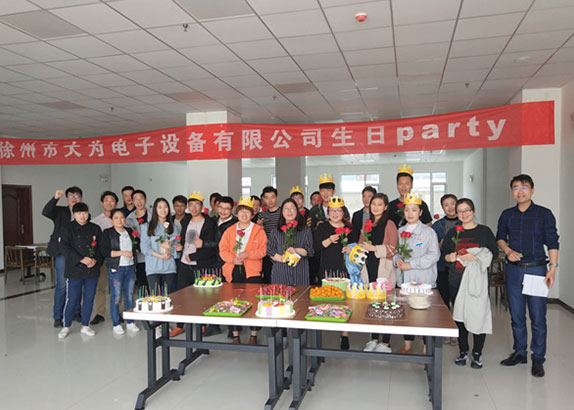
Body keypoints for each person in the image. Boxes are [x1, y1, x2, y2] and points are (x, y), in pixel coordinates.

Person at [496, 174, 559, 378]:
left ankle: (538, 357)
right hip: (514, 270)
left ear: (532, 190)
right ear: (512, 192)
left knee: (538, 316)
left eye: (524, 187)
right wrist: (507, 250)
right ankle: (520, 352)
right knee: (516, 315)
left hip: (536, 270)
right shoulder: (507, 215)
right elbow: (500, 238)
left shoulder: (544, 214)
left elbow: (552, 241)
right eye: (516, 188)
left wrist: (552, 268)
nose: (520, 191)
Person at [442, 198, 498, 369]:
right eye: (460, 211)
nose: (464, 214)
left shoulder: (484, 231)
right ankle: (463, 350)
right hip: (456, 280)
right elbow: (444, 255)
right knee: (459, 317)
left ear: (473, 211)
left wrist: (475, 257)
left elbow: (494, 253)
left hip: (477, 282)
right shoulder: (453, 233)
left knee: (478, 315)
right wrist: (449, 257)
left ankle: (477, 352)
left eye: (467, 210)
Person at [394, 192, 440, 353]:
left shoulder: (429, 232)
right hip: (404, 279)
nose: (410, 213)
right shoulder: (400, 231)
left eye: (414, 210)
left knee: (425, 315)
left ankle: (427, 349)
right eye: (407, 210)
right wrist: (397, 260)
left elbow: (434, 255)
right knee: (406, 312)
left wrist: (411, 264)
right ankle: (407, 345)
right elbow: (395, 252)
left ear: (420, 212)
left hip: (423, 279)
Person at [219, 197, 267, 344]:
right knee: (233, 301)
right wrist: (233, 259)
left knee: (253, 301)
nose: (244, 215)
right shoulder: (229, 230)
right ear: (237, 214)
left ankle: (253, 333)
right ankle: (235, 334)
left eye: (247, 212)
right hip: (233, 270)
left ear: (252, 214)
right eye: (241, 212)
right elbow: (223, 250)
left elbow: (264, 250)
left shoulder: (258, 230)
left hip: (252, 271)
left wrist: (248, 254)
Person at [170, 192, 217, 337]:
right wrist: (180, 247)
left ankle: (201, 323)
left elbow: (213, 248)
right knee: (182, 295)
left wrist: (194, 256)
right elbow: (185, 241)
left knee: (201, 296)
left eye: (197, 205)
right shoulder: (186, 221)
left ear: (202, 206)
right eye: (191, 205)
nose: (194, 208)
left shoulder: (209, 224)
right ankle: (180, 325)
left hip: (201, 265)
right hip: (184, 264)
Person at [313, 196, 356, 350]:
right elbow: (316, 247)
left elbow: (356, 248)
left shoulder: (350, 227)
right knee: (328, 298)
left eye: (338, 211)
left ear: (343, 212)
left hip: (345, 269)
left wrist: (350, 249)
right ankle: (323, 331)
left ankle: (345, 334)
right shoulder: (322, 227)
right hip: (327, 268)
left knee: (346, 301)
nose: (335, 213)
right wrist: (330, 240)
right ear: (328, 212)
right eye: (332, 210)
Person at [57, 202, 102, 339]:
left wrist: (95, 260)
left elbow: (101, 248)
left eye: (84, 213)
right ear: (74, 214)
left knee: (89, 298)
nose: (82, 216)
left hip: (91, 270)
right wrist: (81, 259)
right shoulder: (67, 228)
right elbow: (64, 248)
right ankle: (66, 326)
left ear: (88, 213)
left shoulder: (95, 228)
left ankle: (85, 325)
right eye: (79, 213)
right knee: (72, 299)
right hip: (74, 270)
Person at [360, 193, 398, 353]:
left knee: (386, 304)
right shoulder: (367, 223)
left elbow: (394, 248)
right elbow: (361, 243)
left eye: (379, 204)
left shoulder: (389, 224)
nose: (375, 207)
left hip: (384, 267)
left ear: (386, 207)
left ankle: (386, 342)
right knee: (372, 304)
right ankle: (374, 339)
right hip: (369, 267)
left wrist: (374, 248)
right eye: (373, 204)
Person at [42, 186, 83, 328]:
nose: (74, 199)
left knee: (77, 283)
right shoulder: (61, 211)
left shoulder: (84, 213)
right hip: (61, 252)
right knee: (62, 284)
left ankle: (76, 312)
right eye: (71, 196)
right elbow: (46, 212)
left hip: (78, 253)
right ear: (67, 199)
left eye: (76, 196)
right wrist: (55, 198)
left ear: (81, 198)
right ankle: (58, 316)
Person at [100, 209, 140, 335]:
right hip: (116, 268)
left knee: (129, 294)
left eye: (122, 217)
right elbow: (104, 251)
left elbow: (136, 245)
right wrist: (123, 253)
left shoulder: (129, 231)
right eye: (116, 218)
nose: (119, 220)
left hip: (130, 267)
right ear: (111, 220)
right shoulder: (107, 233)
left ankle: (130, 321)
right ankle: (116, 323)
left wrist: (135, 250)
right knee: (116, 296)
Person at [268, 198, 314, 286]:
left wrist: (296, 250)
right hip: (280, 273)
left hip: (300, 273)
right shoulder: (276, 231)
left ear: (297, 211)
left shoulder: (305, 230)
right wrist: (281, 258)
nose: (289, 211)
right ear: (282, 212)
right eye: (286, 209)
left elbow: (310, 251)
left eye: (292, 208)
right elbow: (270, 250)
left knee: (300, 294)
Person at [139, 198, 179, 296]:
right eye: (160, 207)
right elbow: (144, 248)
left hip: (169, 267)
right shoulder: (146, 227)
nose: (163, 210)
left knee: (168, 296)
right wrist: (161, 256)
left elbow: (176, 246)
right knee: (155, 297)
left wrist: (171, 248)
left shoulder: (173, 227)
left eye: (165, 207)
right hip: (153, 267)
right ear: (155, 210)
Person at [90, 190, 118, 326]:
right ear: (102, 203)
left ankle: (118, 312)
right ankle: (100, 313)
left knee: (117, 287)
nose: (109, 203)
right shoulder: (95, 221)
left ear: (116, 203)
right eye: (106, 200)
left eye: (112, 200)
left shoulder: (120, 218)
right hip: (101, 259)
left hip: (117, 258)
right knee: (100, 287)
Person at [431, 194, 460, 312]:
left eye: (453, 204)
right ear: (442, 208)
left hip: (459, 266)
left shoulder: (464, 222)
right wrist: (439, 244)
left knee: (458, 299)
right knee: (443, 297)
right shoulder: (437, 225)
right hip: (442, 266)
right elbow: (430, 246)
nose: (450, 207)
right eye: (446, 205)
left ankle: (459, 323)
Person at [126, 189, 149, 292]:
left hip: (154, 256)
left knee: (155, 285)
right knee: (143, 285)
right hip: (140, 257)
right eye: (135, 199)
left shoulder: (154, 215)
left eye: (141, 198)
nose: (139, 202)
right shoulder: (129, 219)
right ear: (132, 201)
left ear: (145, 199)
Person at [261, 186, 281, 284]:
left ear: (277, 197)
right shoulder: (262, 215)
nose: (270, 200)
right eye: (267, 197)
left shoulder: (283, 213)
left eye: (272, 197)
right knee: (268, 277)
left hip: (280, 249)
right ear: (263, 199)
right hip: (266, 250)